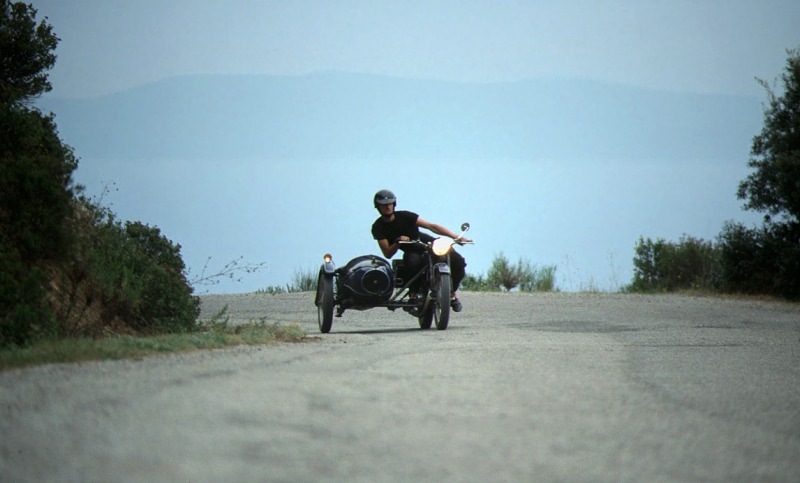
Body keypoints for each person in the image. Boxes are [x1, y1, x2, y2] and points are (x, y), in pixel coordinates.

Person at [370, 189, 470, 312]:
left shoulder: (405, 216)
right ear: (378, 207)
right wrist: (398, 242)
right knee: (412, 262)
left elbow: (431, 226)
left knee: (457, 260)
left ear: (394, 204)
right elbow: (387, 253)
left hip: (426, 242)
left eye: (390, 203)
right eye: (384, 205)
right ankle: (413, 294)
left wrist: (456, 237)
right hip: (411, 250)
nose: (388, 207)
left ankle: (452, 293)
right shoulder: (378, 227)